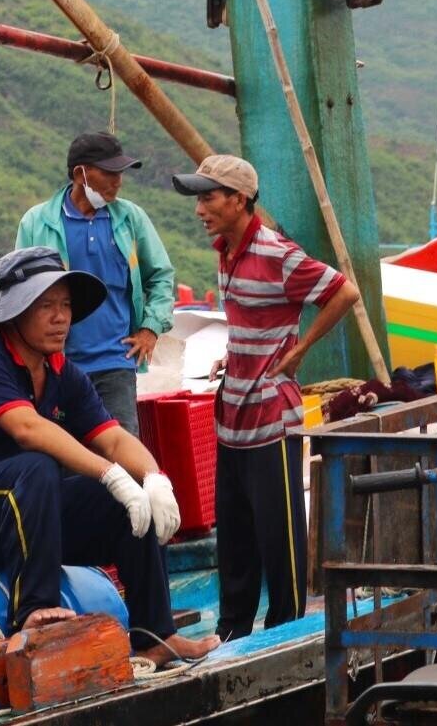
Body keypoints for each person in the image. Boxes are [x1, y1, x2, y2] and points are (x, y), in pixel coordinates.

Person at [0, 247, 217, 662]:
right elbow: (28, 430)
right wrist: (111, 474)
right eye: (46, 306)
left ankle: (153, 635)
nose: (61, 317)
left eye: (66, 305)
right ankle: (35, 610)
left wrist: (153, 478)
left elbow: (112, 438)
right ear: (15, 312)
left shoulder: (61, 371)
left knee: (130, 502)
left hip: (24, 510)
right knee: (37, 467)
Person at [172, 154, 361, 640]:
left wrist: (299, 350)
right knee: (233, 531)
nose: (200, 210)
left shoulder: (277, 252)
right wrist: (232, 355)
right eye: (199, 199)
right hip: (232, 408)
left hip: (271, 414)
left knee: (279, 534)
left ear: (240, 200)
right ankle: (233, 630)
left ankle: (286, 628)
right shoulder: (225, 250)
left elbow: (344, 292)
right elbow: (249, 321)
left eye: (209, 198)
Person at [15, 132, 175, 437]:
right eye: (109, 172)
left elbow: (161, 275)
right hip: (56, 366)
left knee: (123, 455)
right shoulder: (37, 222)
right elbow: (18, 291)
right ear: (81, 173)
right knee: (63, 457)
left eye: (120, 173)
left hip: (116, 362)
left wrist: (150, 328)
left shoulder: (131, 219)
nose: (118, 181)